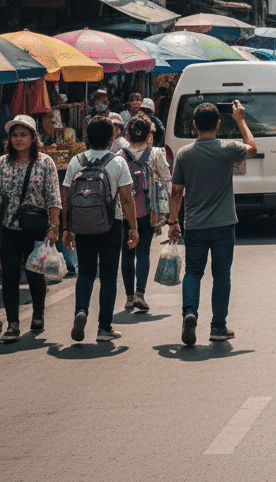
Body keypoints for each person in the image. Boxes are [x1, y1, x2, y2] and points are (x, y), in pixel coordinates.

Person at [168, 100, 256, 346]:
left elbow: (176, 191)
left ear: (194, 125)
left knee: (193, 272)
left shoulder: (184, 154)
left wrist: (173, 221)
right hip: (223, 224)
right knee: (221, 275)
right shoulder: (227, 148)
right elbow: (252, 147)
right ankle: (218, 326)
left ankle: (189, 313)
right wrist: (239, 120)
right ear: (218, 124)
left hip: (194, 224)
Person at [62, 117, 138, 343]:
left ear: (86, 136)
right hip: (110, 226)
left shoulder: (76, 161)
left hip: (82, 226)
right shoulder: (117, 162)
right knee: (108, 277)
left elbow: (66, 196)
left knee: (85, 272)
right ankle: (104, 328)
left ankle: (81, 311)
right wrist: (133, 227)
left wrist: (67, 228)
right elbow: (126, 199)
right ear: (111, 137)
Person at [0, 115, 62, 342]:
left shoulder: (46, 163)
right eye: (14, 135)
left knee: (35, 275)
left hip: (37, 229)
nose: (18, 140)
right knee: (9, 276)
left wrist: (54, 226)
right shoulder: (2, 164)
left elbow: (54, 197)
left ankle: (38, 312)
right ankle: (13, 324)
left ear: (33, 137)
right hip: (9, 228)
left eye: (23, 135)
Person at [117, 115, 170, 314]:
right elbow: (166, 179)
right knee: (143, 251)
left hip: (124, 212)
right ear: (149, 135)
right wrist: (169, 213)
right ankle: (140, 293)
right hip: (148, 211)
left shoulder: (119, 155)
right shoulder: (156, 153)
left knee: (127, 253)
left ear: (127, 134)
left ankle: (129, 297)